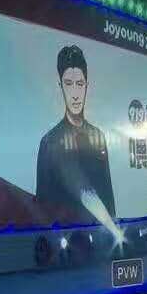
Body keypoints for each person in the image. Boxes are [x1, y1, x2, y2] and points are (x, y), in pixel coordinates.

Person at [34, 44, 117, 225]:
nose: (75, 94)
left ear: (87, 86)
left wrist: (115, 234)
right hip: (65, 236)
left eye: (79, 84)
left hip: (99, 235)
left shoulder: (98, 137)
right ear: (60, 86)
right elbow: (42, 211)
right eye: (68, 84)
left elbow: (109, 202)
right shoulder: (49, 142)